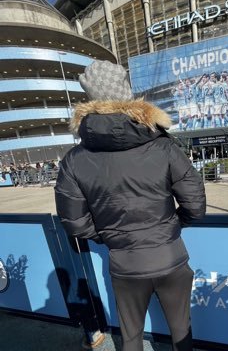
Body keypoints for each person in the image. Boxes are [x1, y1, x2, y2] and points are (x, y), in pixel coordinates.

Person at [54, 60, 206, 351]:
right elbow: (195, 205)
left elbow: (73, 221)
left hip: (124, 263)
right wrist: (170, 226)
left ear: (90, 99)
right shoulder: (164, 146)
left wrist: (109, 236)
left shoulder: (74, 158)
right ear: (128, 92)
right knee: (181, 331)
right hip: (170, 256)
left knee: (131, 336)